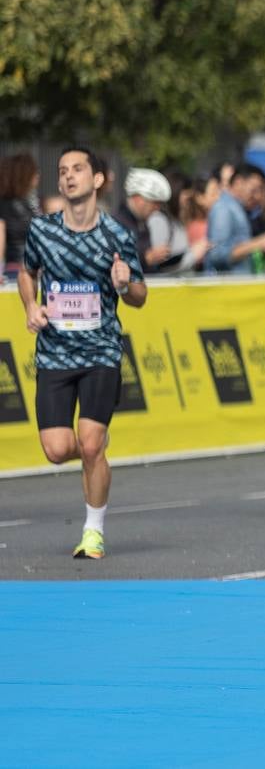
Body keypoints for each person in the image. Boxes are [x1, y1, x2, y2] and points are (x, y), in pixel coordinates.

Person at [16, 147, 147, 559]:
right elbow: (26, 272)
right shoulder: (42, 230)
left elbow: (141, 297)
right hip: (54, 352)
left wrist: (125, 283)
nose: (69, 176)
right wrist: (30, 306)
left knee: (90, 444)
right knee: (57, 450)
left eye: (78, 169)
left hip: (101, 350)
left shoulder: (118, 236)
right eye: (63, 171)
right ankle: (95, 452)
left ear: (97, 180)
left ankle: (93, 531)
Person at [204, 164, 265, 275]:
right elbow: (217, 255)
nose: (257, 196)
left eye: (260, 191)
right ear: (239, 182)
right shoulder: (223, 208)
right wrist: (258, 243)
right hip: (227, 288)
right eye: (254, 189)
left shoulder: (238, 209)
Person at [114, 168, 173, 273]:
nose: (157, 208)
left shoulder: (140, 222)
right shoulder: (117, 224)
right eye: (154, 203)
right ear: (138, 198)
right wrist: (145, 259)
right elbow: (113, 265)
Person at [1, 153, 42, 280]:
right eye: (34, 171)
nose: (38, 175)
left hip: (33, 268)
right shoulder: (8, 204)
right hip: (16, 270)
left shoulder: (30, 200)